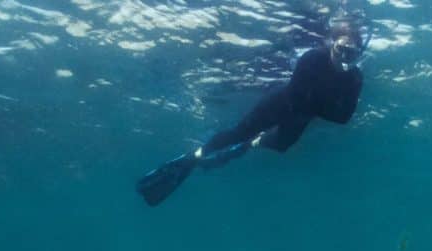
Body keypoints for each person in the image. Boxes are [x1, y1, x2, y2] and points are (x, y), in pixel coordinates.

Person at [137, 16, 367, 207]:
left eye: (351, 53)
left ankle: (250, 145)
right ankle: (194, 157)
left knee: (281, 146)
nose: (344, 57)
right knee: (238, 133)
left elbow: (343, 118)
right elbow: (299, 96)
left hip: (300, 115)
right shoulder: (313, 57)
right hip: (280, 104)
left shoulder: (355, 78)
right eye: (341, 49)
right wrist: (324, 105)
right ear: (331, 44)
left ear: (359, 55)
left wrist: (319, 104)